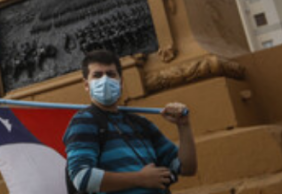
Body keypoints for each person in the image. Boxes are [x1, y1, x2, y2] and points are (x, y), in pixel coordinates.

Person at [63, 49, 197, 193]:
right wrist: (140, 178)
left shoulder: (141, 124)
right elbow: (82, 178)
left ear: (121, 82)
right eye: (97, 75)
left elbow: (186, 168)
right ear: (86, 85)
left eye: (111, 74)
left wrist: (183, 126)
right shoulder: (84, 122)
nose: (105, 80)